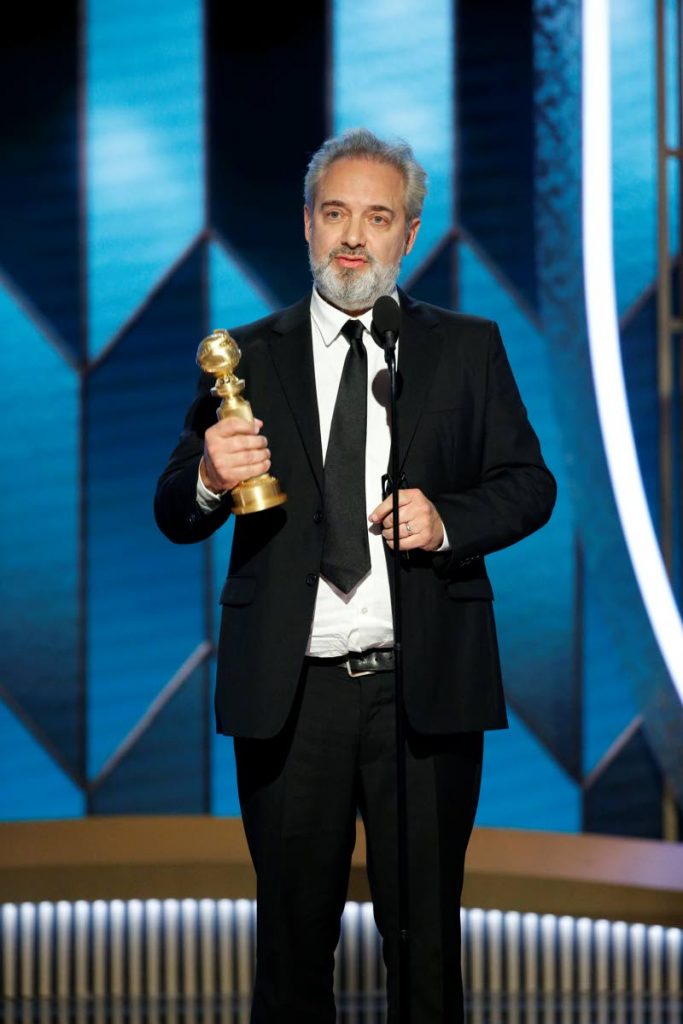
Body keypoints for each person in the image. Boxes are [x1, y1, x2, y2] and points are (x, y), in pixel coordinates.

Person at [155, 128, 556, 1023]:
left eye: (377, 218)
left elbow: (529, 486)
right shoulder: (244, 357)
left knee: (423, 949)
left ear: (408, 236)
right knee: (293, 949)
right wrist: (212, 478)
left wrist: (448, 520)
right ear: (305, 224)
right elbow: (174, 512)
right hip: (291, 699)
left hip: (422, 690)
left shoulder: (465, 348)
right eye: (335, 212)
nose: (353, 236)